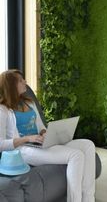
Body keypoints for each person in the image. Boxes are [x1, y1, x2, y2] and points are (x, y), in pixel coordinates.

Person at [0, 69, 95, 202]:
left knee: (88, 145)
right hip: (23, 150)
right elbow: (1, 144)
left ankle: (88, 199)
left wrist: (47, 133)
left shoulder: (29, 103)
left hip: (39, 143)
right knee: (76, 155)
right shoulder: (3, 110)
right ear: (11, 85)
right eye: (21, 80)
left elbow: (41, 127)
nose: (25, 82)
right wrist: (27, 138)